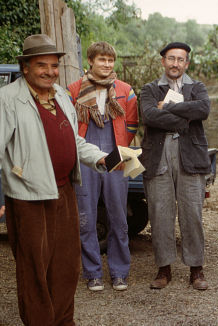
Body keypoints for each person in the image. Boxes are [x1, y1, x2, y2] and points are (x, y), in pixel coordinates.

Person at [0, 34, 108, 326]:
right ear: (25, 67)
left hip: (64, 190)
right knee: (34, 269)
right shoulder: (8, 99)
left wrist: (101, 157)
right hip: (28, 197)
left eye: (54, 65)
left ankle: (63, 321)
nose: (49, 71)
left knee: (65, 266)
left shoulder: (60, 94)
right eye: (41, 65)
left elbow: (72, 139)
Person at [139, 42, 211, 291]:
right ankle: (164, 268)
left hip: (189, 157)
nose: (175, 64)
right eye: (171, 58)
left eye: (181, 60)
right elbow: (148, 115)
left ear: (187, 64)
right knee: (160, 214)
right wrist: (184, 119)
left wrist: (168, 108)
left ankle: (196, 269)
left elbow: (203, 109)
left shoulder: (197, 87)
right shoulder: (150, 89)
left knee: (192, 213)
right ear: (163, 62)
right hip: (158, 156)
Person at [68, 41, 139, 292]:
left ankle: (120, 273)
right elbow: (69, 126)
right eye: (102, 60)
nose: (107, 65)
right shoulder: (74, 90)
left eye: (110, 60)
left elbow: (132, 123)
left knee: (118, 216)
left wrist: (120, 148)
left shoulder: (125, 90)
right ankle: (93, 273)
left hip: (116, 154)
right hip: (85, 154)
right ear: (90, 61)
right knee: (86, 217)